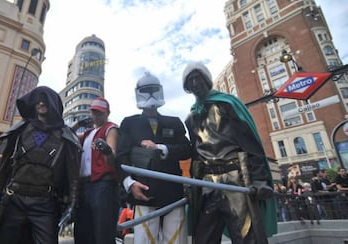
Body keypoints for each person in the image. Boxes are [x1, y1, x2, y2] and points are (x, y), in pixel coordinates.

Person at [182, 62, 277, 244]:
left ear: (207, 80)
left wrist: (260, 179)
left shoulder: (227, 104)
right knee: (203, 238)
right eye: (190, 80)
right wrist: (192, 186)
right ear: (187, 87)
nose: (195, 83)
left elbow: (250, 144)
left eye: (198, 78)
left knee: (246, 237)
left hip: (236, 180)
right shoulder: (191, 117)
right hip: (208, 184)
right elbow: (196, 156)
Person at [0, 86, 81, 243]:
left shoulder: (65, 136)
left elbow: (73, 175)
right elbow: (4, 166)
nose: (41, 104)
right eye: (38, 101)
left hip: (45, 203)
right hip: (14, 199)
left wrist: (72, 206)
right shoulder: (20, 130)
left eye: (45, 101)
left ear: (53, 105)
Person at [116, 71, 191, 244]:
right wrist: (130, 184)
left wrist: (161, 148)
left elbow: (187, 149)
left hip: (173, 193)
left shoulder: (174, 122)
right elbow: (121, 157)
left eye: (153, 89)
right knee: (144, 241)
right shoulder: (129, 123)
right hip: (144, 192)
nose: (150, 94)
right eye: (146, 90)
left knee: (176, 240)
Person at [73, 97, 120, 244]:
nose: (96, 116)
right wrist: (77, 124)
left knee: (102, 231)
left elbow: (112, 154)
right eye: (94, 112)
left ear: (107, 113)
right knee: (82, 230)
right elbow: (66, 135)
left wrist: (106, 151)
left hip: (103, 184)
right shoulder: (88, 133)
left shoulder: (110, 128)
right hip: (85, 185)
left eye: (99, 113)